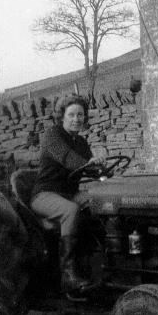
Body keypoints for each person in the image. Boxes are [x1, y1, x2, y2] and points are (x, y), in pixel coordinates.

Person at [31, 95, 104, 293]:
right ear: (62, 116)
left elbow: (91, 169)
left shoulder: (80, 141)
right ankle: (68, 275)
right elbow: (69, 159)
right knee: (71, 210)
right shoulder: (52, 136)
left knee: (101, 202)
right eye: (71, 114)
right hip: (45, 194)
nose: (76, 119)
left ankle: (99, 262)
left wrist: (101, 166)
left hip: (70, 193)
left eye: (80, 114)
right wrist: (91, 163)